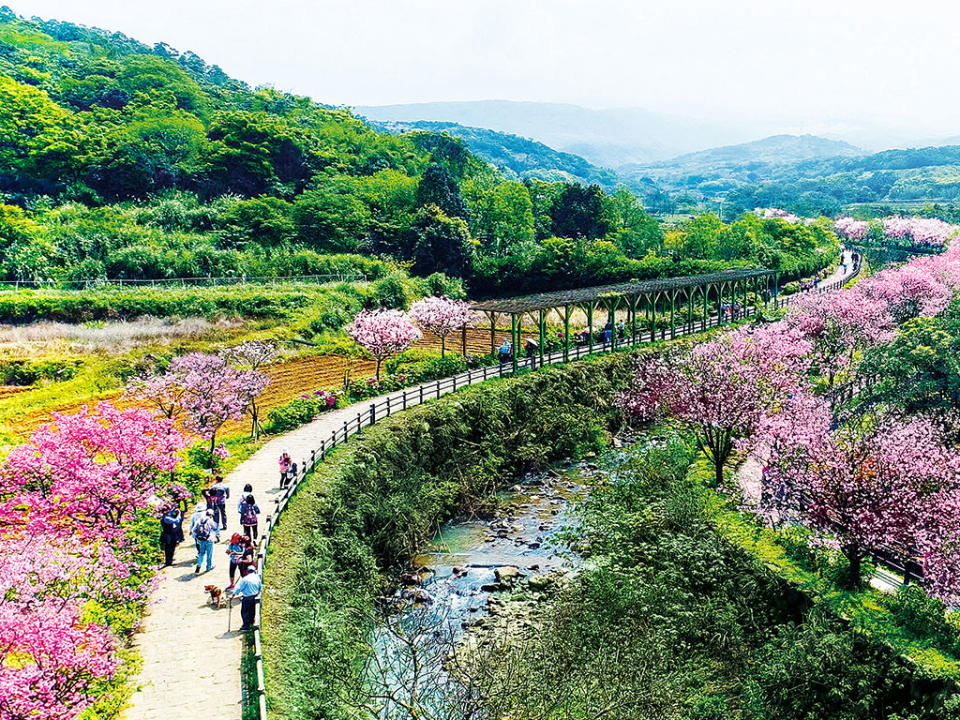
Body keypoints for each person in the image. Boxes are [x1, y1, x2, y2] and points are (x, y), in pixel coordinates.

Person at [232, 568, 262, 632]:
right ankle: (251, 623)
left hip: (247, 598)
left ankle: (246, 626)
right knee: (252, 611)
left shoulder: (245, 579)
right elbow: (260, 587)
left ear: (247, 571)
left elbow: (239, 588)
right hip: (255, 597)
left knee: (245, 612)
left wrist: (234, 594)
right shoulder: (257, 578)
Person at [192, 509, 219, 575]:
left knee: (201, 553)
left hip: (201, 540)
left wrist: (196, 537)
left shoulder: (199, 520)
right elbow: (215, 528)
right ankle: (208, 567)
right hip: (209, 540)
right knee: (209, 554)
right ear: (211, 515)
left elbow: (194, 530)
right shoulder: (210, 521)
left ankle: (198, 566)